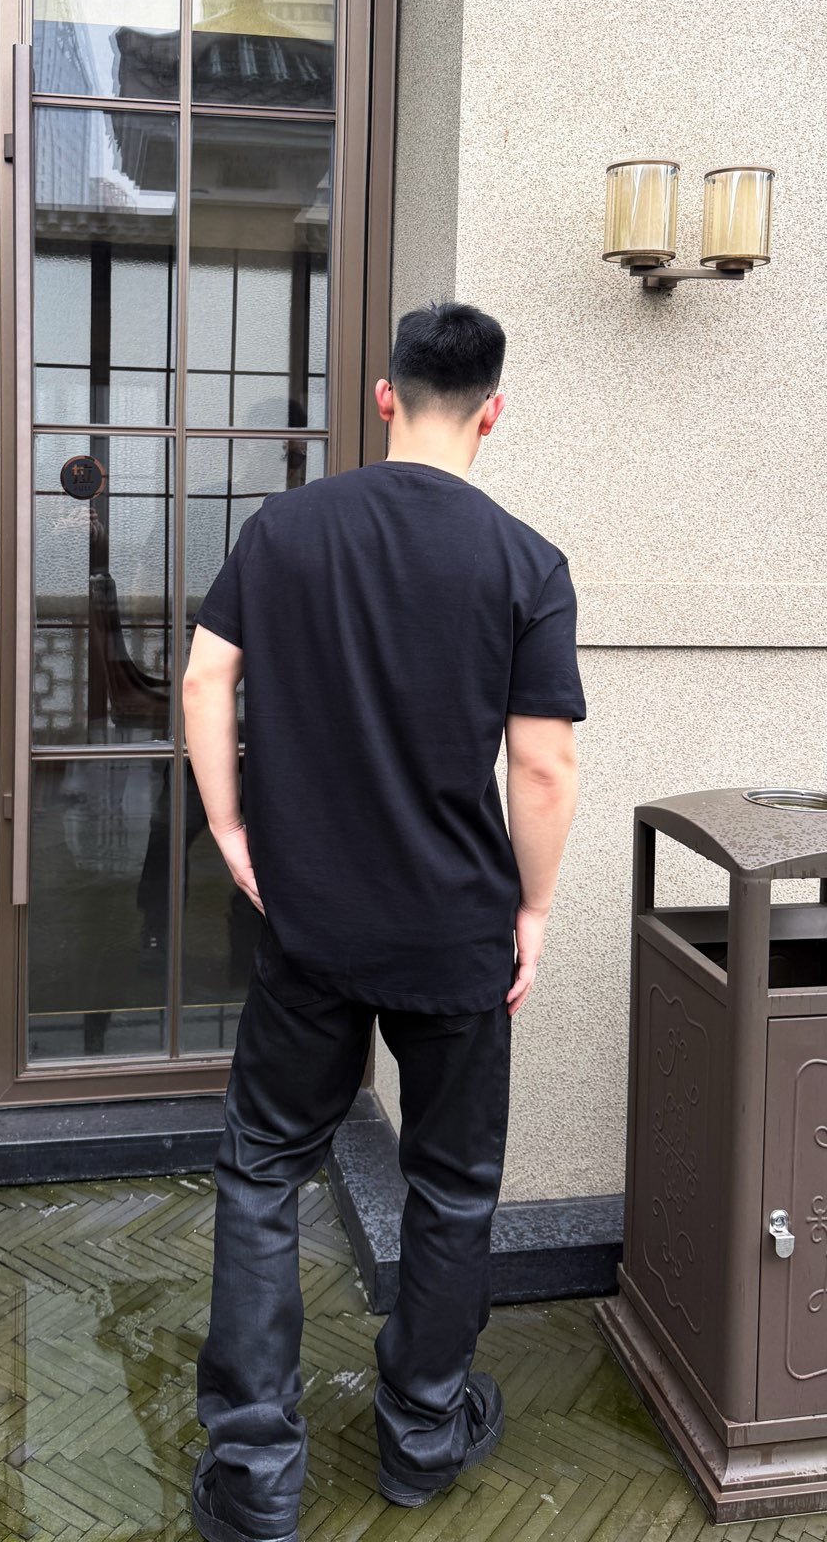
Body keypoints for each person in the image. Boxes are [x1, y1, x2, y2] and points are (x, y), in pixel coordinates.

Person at [182, 301, 584, 1542]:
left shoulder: (286, 530)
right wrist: (533, 907)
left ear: (384, 395)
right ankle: (420, 1433)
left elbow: (205, 676)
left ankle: (255, 1477)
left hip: (311, 924)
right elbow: (544, 765)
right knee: (451, 1186)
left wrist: (231, 830)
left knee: (264, 1170)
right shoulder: (526, 562)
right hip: (455, 929)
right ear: (495, 412)